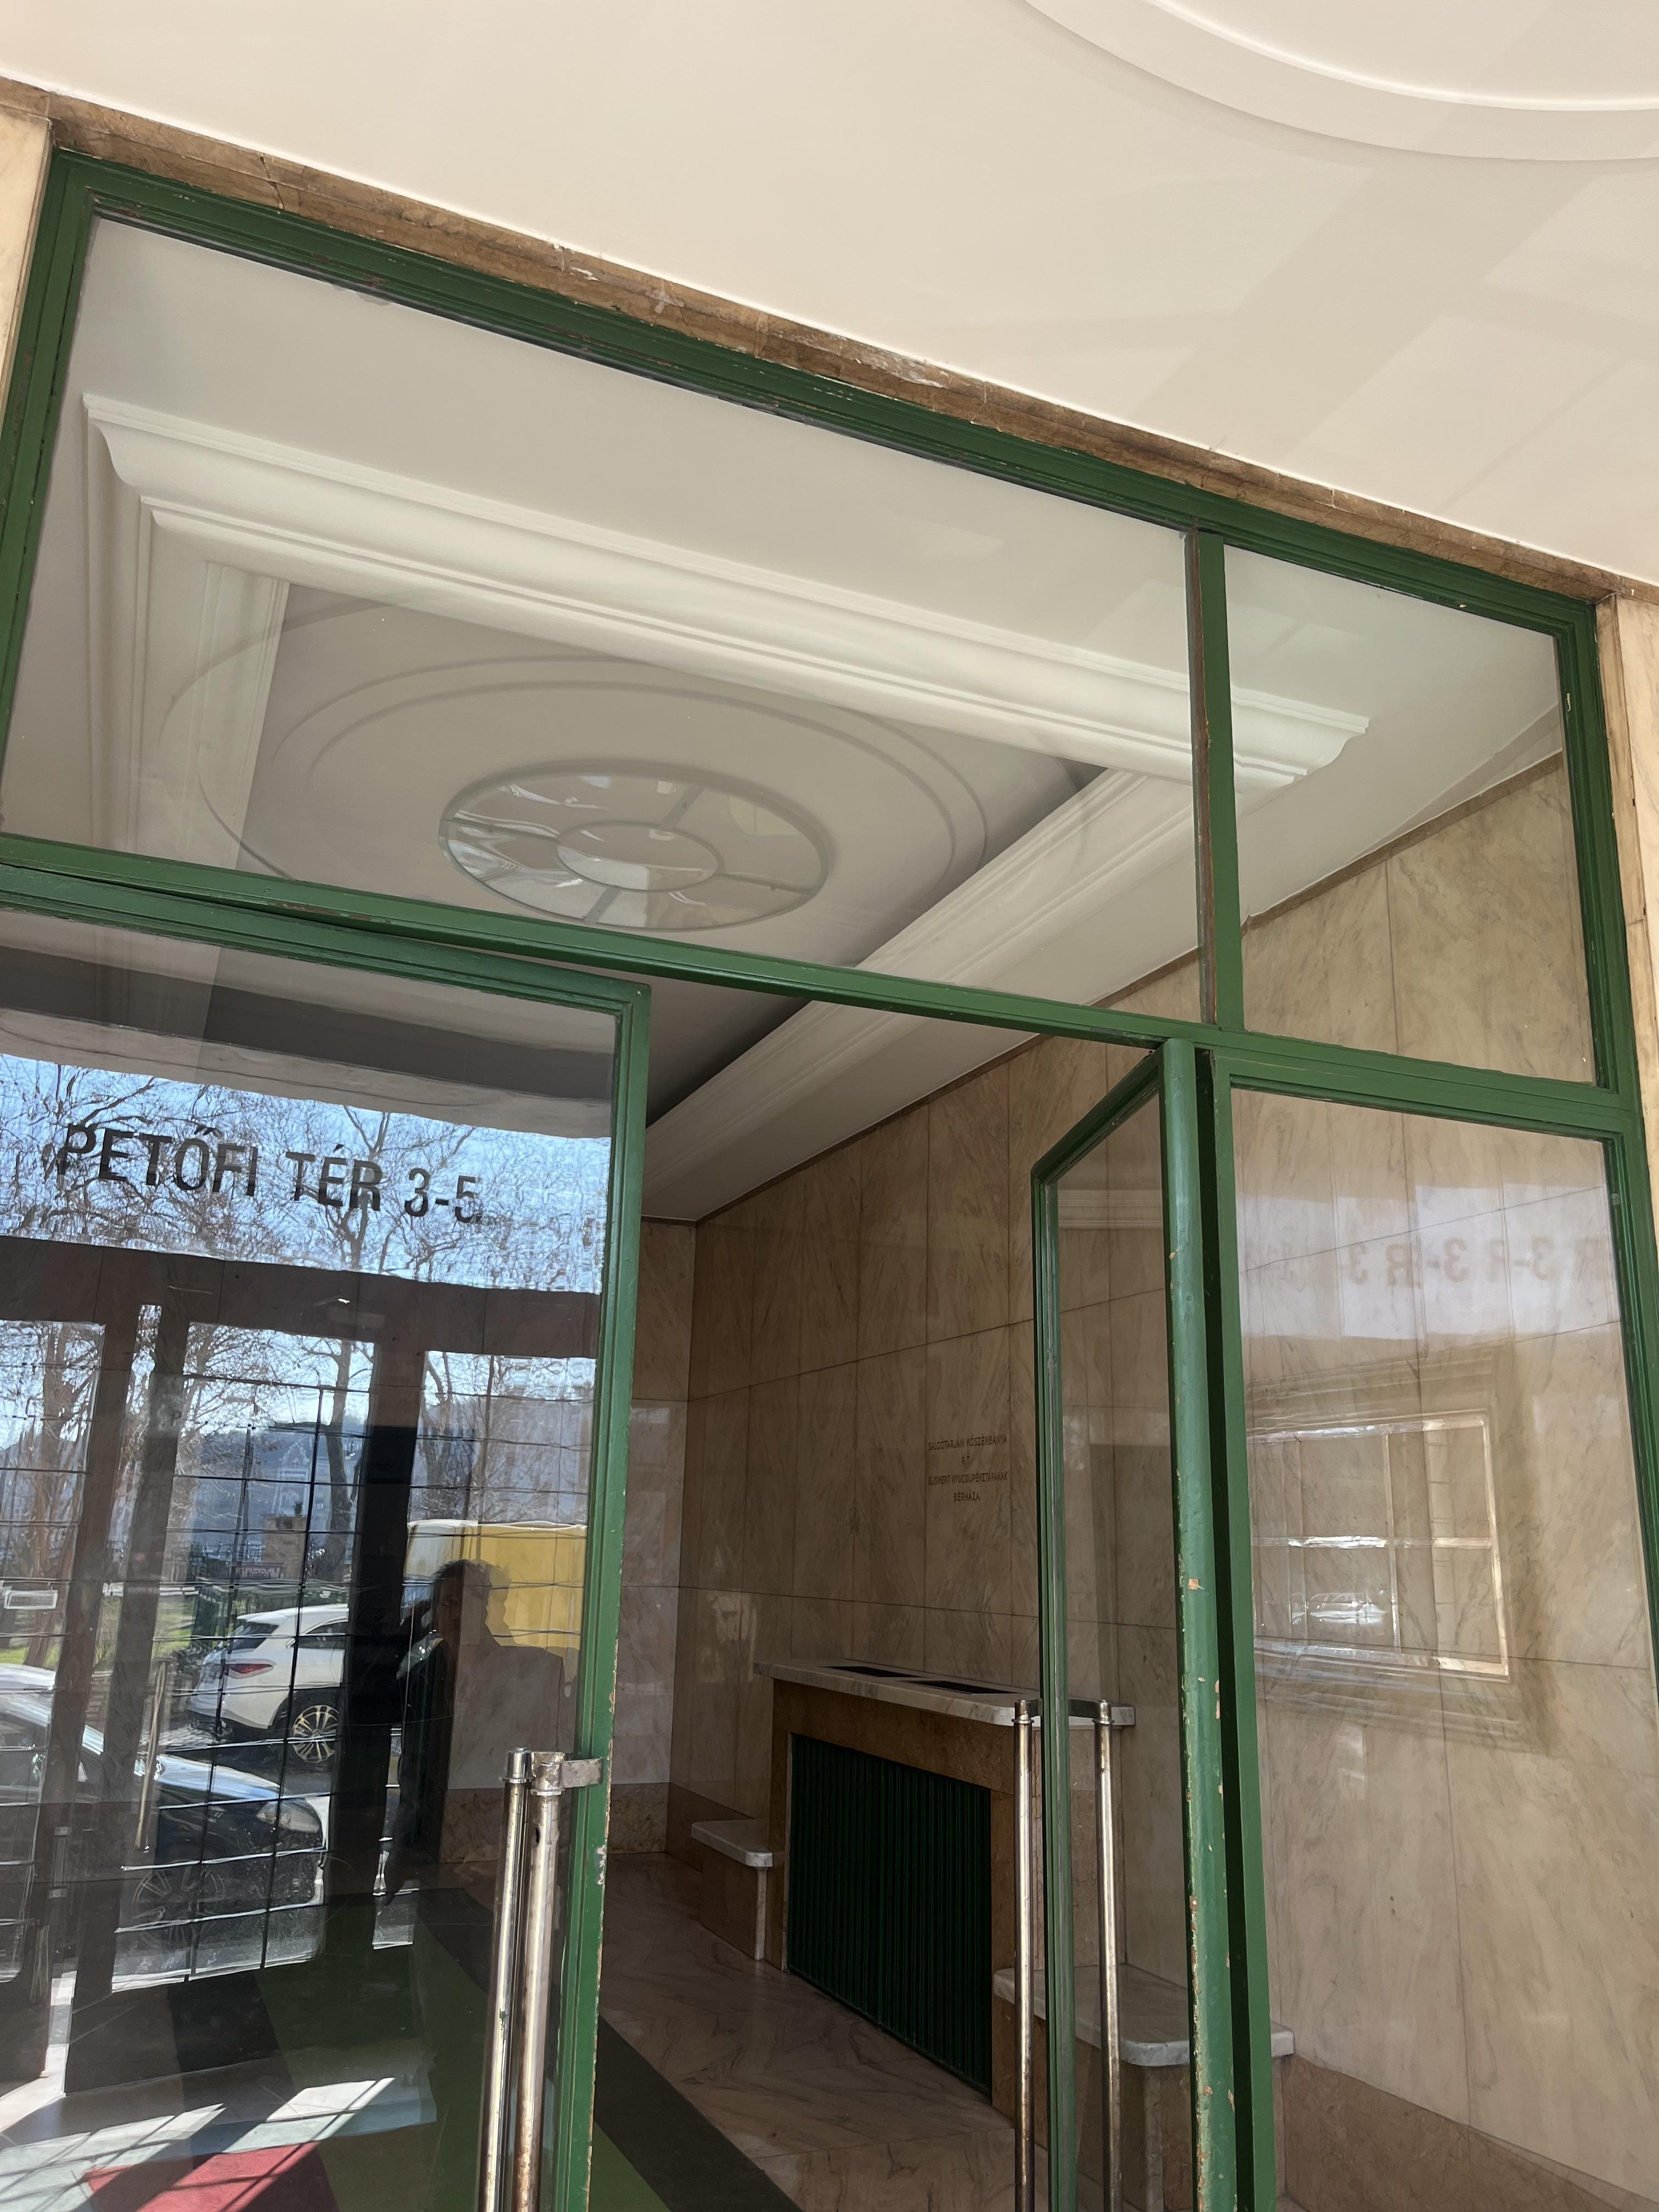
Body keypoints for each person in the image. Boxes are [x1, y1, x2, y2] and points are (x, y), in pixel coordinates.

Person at [387, 1556, 566, 2210]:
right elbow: (408, 1762)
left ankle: (525, 2148)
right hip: (434, 1859)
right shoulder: (422, 1674)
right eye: (444, 1604)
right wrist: (404, 1853)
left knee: (514, 2007)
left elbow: (542, 1764)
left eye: (467, 1602)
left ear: (490, 1607)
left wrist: (500, 1847)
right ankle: (455, 2148)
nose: (455, 1615)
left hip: (501, 1865)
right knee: (444, 2018)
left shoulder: (526, 1673)